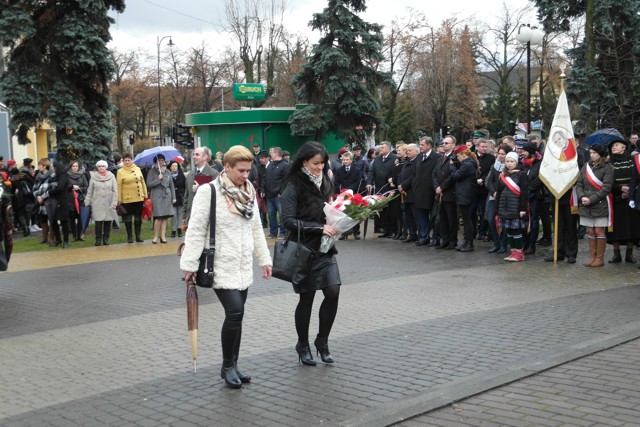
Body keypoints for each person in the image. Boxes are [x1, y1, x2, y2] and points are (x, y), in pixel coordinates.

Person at [180, 145, 272, 389]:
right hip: (219, 265)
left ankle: (235, 364)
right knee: (235, 312)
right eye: (240, 170)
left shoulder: (249, 191)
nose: (245, 175)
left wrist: (264, 259)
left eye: (248, 170)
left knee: (238, 316)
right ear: (227, 167)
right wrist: (189, 264)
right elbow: (196, 230)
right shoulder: (209, 192)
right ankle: (227, 366)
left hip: (243, 265)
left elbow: (255, 228)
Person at [281, 141, 341, 367]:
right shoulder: (293, 184)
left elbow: (329, 209)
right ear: (304, 161)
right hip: (304, 250)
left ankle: (322, 341)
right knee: (307, 298)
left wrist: (341, 219)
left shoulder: (325, 179)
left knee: (333, 292)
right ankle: (303, 344)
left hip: (325, 248)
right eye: (316, 163)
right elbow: (287, 221)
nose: (320, 167)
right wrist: (317, 228)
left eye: (323, 163)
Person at [575, 144, 614, 267]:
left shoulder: (608, 168)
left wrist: (591, 199)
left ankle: (599, 258)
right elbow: (579, 183)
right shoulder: (586, 167)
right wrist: (582, 197)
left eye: (595, 153)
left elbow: (606, 188)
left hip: (600, 204)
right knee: (590, 230)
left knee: (599, 230)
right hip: (586, 203)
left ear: (601, 154)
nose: (592, 155)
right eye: (591, 153)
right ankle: (592, 257)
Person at [605, 139, 640, 263]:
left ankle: (629, 254)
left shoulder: (632, 161)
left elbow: (636, 177)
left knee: (632, 226)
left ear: (624, 147)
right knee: (616, 228)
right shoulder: (609, 163)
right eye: (612, 146)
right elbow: (607, 181)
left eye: (616, 145)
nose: (614, 147)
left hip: (631, 198)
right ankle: (616, 254)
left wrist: (630, 191)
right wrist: (620, 189)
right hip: (615, 198)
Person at [495, 152, 529, 262]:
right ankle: (513, 252)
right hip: (504, 208)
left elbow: (524, 193)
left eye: (512, 161)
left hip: (515, 208)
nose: (509, 164)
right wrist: (497, 209)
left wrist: (523, 209)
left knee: (516, 231)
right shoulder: (502, 175)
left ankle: (519, 253)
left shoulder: (521, 174)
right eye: (507, 161)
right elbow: (499, 193)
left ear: (516, 162)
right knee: (508, 231)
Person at [450, 145, 479, 252]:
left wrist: (452, 166)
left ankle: (469, 243)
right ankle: (466, 242)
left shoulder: (468, 165)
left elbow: (456, 176)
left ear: (463, 154)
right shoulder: (468, 163)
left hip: (466, 195)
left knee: (467, 220)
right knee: (467, 220)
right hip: (465, 194)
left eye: (457, 155)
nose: (457, 158)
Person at [366, 141, 398, 237]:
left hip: (391, 188)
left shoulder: (394, 158)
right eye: (380, 147)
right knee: (382, 210)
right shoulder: (377, 159)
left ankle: (393, 230)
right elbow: (371, 172)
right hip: (379, 188)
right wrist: (369, 183)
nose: (381, 149)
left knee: (391, 211)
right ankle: (385, 230)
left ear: (388, 148)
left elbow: (396, 172)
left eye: (383, 147)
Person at [433, 136, 458, 250]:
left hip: (450, 193)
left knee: (451, 218)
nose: (444, 145)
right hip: (440, 194)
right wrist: (437, 187)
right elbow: (434, 174)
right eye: (443, 143)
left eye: (447, 143)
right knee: (442, 218)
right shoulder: (440, 158)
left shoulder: (455, 158)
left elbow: (452, 176)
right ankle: (445, 239)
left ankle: (453, 240)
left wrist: (442, 187)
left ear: (453, 145)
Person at [183, 147, 218, 228]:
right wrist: (184, 215)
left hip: (207, 217)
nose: (194, 157)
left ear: (205, 157)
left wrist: (200, 189)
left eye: (197, 154)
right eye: (193, 154)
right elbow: (186, 197)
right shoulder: (190, 175)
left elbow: (217, 195)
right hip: (191, 216)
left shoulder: (214, 174)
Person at [485, 145, 511, 254]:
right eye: (499, 153)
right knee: (491, 220)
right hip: (493, 197)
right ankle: (496, 243)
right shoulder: (494, 166)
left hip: (505, 198)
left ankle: (503, 244)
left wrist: (500, 194)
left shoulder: (510, 167)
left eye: (503, 154)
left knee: (503, 222)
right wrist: (493, 192)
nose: (500, 156)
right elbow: (489, 181)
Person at [85, 160, 118, 246]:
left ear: (106, 167)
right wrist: (87, 202)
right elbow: (90, 191)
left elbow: (115, 191)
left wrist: (114, 203)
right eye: (99, 166)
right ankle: (98, 239)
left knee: (108, 222)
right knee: (98, 222)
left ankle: (106, 238)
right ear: (97, 167)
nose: (101, 168)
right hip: (97, 202)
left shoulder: (112, 176)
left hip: (109, 202)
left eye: (103, 166)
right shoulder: (93, 177)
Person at [117, 153, 148, 243]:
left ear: (132, 160)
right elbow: (118, 186)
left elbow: (143, 182)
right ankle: (130, 236)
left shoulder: (137, 169)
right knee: (128, 218)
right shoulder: (120, 171)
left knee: (138, 217)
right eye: (125, 160)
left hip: (139, 197)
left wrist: (145, 195)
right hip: (127, 199)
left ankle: (138, 235)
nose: (127, 162)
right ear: (123, 161)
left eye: (129, 160)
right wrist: (119, 199)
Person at [333, 151, 364, 240]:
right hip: (342, 194)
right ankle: (344, 232)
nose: (345, 161)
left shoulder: (357, 170)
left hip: (353, 194)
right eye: (344, 160)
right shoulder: (339, 170)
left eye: (347, 160)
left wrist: (349, 190)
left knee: (354, 213)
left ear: (351, 160)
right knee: (343, 213)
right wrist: (342, 190)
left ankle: (356, 232)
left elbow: (358, 182)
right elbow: (336, 182)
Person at [146, 154, 176, 244]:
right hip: (156, 195)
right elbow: (149, 184)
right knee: (158, 217)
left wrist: (173, 197)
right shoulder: (152, 171)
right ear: (156, 161)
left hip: (167, 195)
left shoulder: (167, 171)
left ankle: (163, 236)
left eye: (162, 160)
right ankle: (155, 236)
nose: (161, 162)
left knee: (165, 217)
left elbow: (171, 185)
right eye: (159, 160)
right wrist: (158, 179)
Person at [263, 146, 289, 239]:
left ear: (276, 154)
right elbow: (265, 178)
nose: (270, 154)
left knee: (282, 215)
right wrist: (263, 190)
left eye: (272, 152)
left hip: (279, 196)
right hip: (269, 195)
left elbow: (286, 180)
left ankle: (283, 233)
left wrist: (281, 192)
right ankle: (273, 233)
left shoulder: (285, 165)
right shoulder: (270, 165)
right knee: (271, 215)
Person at [46, 161, 71, 248]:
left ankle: (65, 241)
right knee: (53, 221)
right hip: (55, 201)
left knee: (64, 221)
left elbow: (60, 188)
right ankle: (58, 239)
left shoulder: (63, 176)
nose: (52, 168)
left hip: (62, 201)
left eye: (53, 167)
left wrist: (50, 192)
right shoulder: (55, 176)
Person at [67, 160, 89, 242]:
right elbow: (65, 186)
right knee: (72, 218)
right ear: (70, 167)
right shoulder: (67, 175)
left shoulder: (82, 175)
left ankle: (80, 235)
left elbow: (86, 187)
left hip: (80, 199)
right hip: (70, 200)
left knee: (80, 218)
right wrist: (71, 187)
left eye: (76, 166)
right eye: (73, 166)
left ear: (78, 167)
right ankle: (74, 235)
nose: (74, 168)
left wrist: (79, 188)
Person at [32, 158, 53, 244]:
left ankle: (51, 237)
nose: (38, 167)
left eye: (40, 165)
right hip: (40, 202)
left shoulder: (52, 175)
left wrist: (43, 197)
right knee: (43, 219)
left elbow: (52, 188)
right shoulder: (38, 176)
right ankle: (44, 238)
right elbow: (34, 188)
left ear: (44, 166)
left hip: (49, 201)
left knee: (51, 219)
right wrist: (37, 196)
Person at [167, 161, 186, 238]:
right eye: (173, 166)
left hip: (180, 197)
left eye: (176, 166)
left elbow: (185, 185)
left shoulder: (181, 175)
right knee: (173, 215)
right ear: (170, 167)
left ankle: (179, 229)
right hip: (172, 197)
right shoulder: (168, 175)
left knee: (180, 214)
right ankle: (173, 230)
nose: (174, 167)